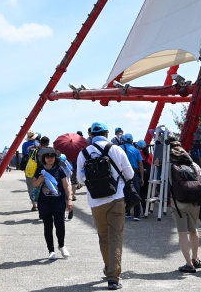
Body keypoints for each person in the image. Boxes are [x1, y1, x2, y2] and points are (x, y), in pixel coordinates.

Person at [77, 122, 135, 290]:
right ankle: (113, 278)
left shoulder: (84, 153)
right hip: (116, 198)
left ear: (91, 134)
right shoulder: (116, 149)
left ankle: (108, 266)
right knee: (116, 236)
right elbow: (129, 173)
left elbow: (80, 180)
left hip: (95, 201)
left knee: (103, 236)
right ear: (107, 133)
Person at [167, 141, 201, 273]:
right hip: (194, 201)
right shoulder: (195, 165)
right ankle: (196, 258)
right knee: (193, 230)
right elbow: (200, 181)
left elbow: (168, 183)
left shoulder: (171, 167)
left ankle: (189, 264)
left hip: (179, 203)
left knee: (182, 233)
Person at [32, 147, 73, 260]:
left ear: (55, 158)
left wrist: (69, 199)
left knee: (60, 225)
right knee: (47, 226)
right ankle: (51, 250)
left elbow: (66, 185)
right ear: (44, 158)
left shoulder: (59, 169)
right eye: (47, 156)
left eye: (52, 156)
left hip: (58, 201)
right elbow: (34, 184)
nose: (50, 159)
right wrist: (40, 180)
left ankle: (61, 245)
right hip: (44, 202)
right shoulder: (40, 168)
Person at [119, 134, 145, 221]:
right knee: (136, 192)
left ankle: (127, 212)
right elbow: (140, 164)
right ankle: (137, 215)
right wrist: (142, 177)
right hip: (134, 172)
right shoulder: (136, 150)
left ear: (124, 140)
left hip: (122, 172)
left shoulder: (119, 148)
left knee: (124, 191)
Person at [22, 131, 40, 211]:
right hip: (38, 167)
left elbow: (24, 155)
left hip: (29, 167)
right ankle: (40, 203)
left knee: (30, 185)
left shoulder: (24, 145)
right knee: (39, 184)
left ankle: (34, 205)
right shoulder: (38, 144)